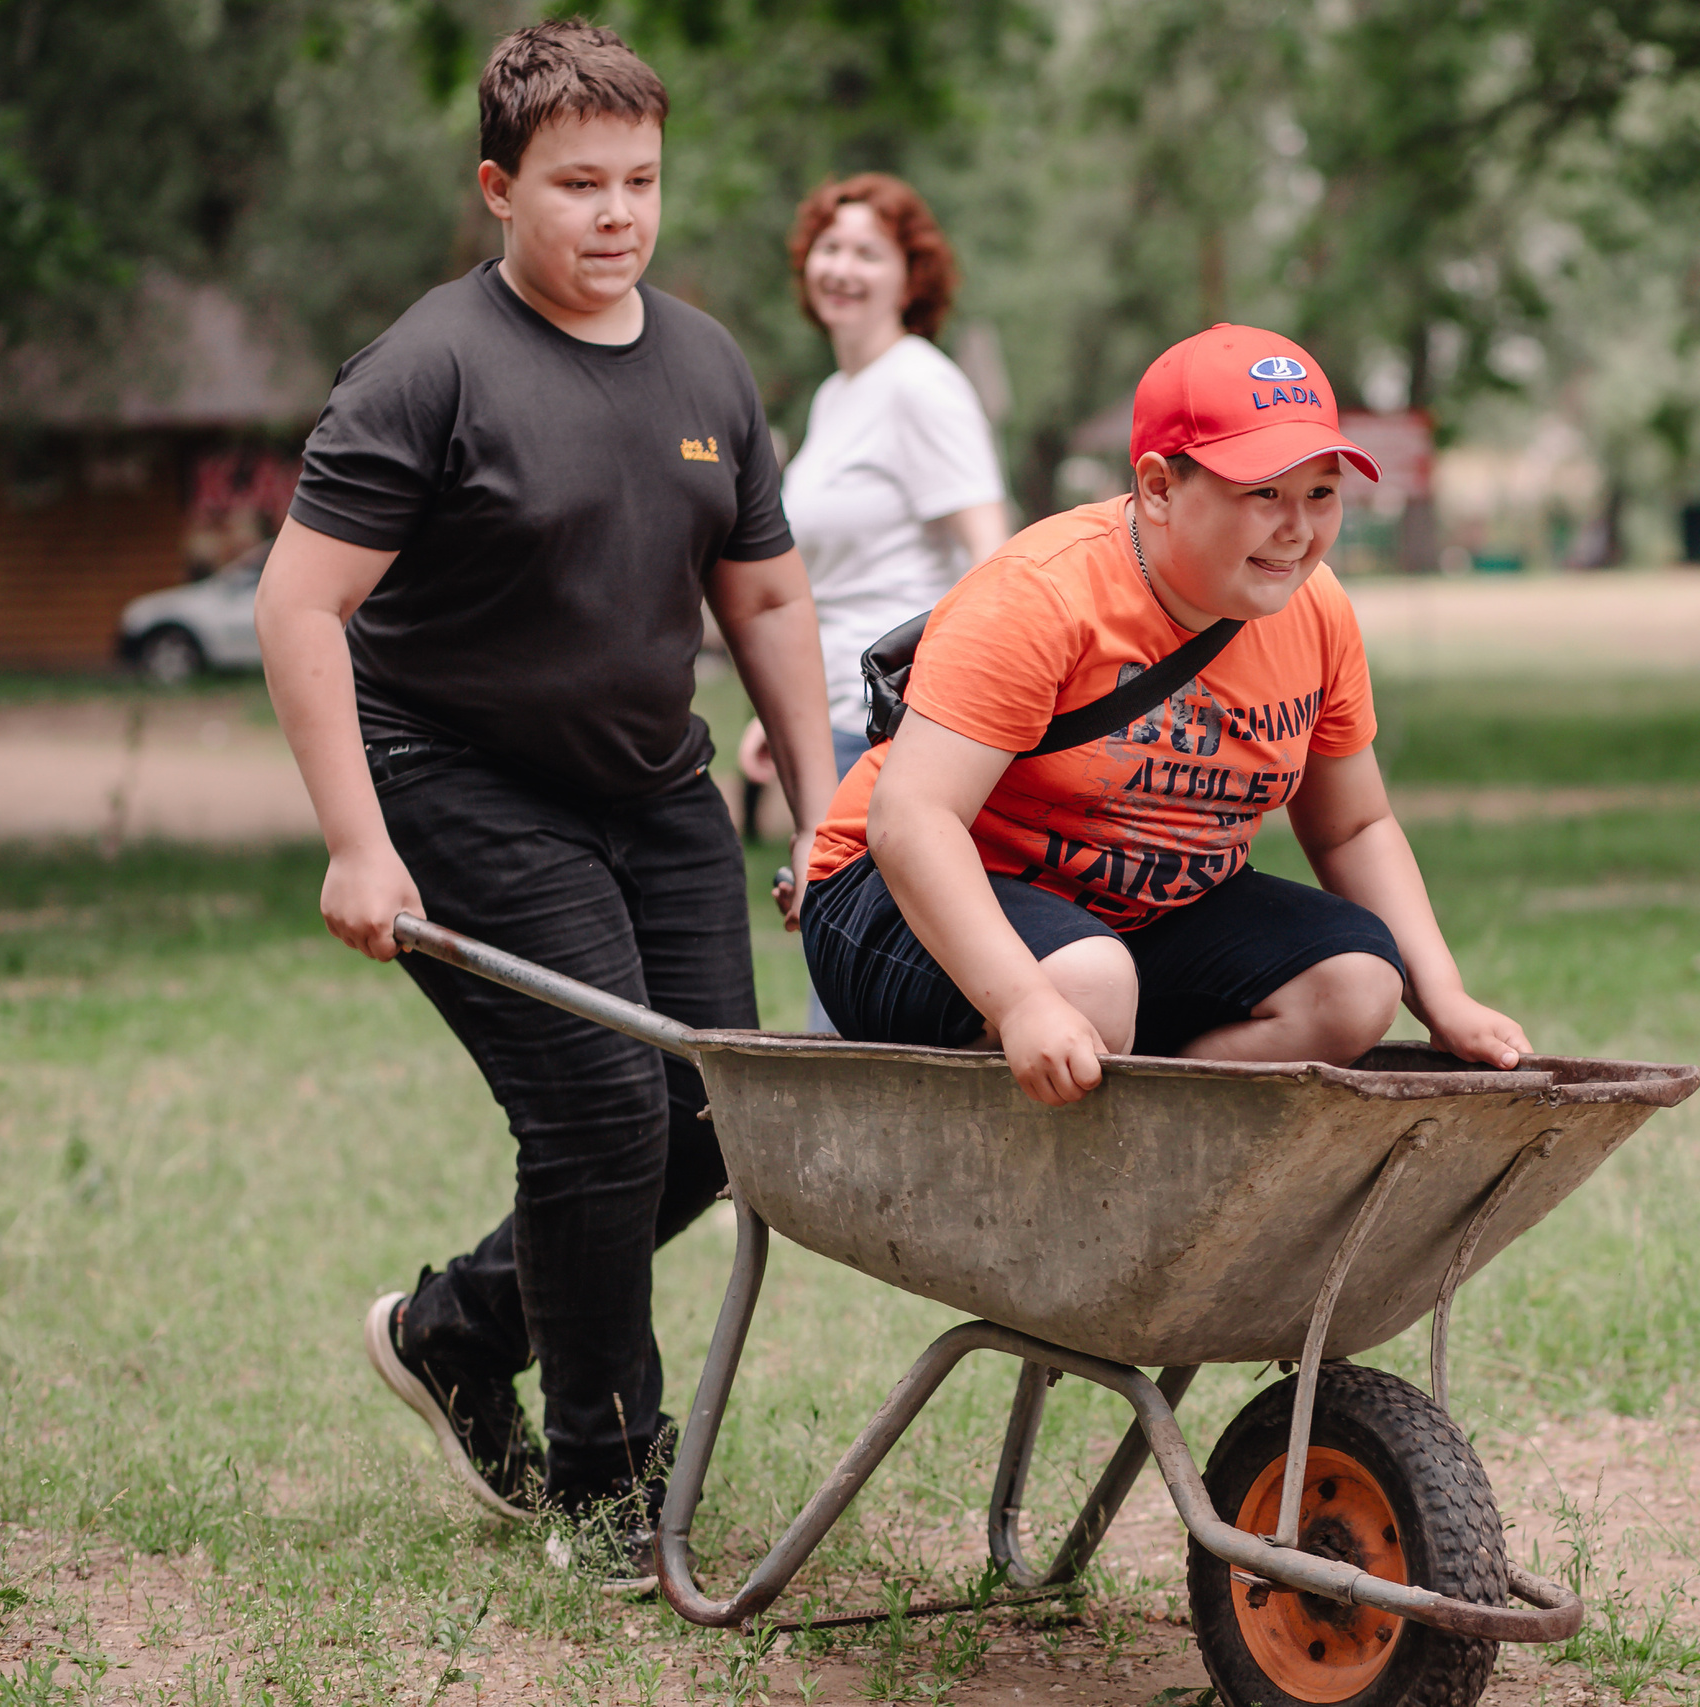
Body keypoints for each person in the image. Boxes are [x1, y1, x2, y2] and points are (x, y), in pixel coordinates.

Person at [252, 20, 837, 1584]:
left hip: (654, 790)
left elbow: (770, 603)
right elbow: (298, 609)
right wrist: (359, 842)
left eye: (641, 179)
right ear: (502, 189)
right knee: (594, 1112)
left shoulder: (709, 362)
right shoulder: (430, 367)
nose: (618, 212)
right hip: (456, 778)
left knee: (714, 1117)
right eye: (579, 182)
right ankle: (606, 1475)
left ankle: (458, 1328)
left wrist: (824, 804)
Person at [801, 325, 1528, 1106]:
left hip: (1140, 918)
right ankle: (1065, 1144)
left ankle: (1160, 1149)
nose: (1299, 528)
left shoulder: (1316, 611)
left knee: (1355, 984)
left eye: (1321, 493)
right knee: (1086, 978)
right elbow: (911, 820)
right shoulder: (1038, 595)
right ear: (1157, 486)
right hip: (905, 896)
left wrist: (1442, 997)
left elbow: (1354, 828)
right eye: (1264, 495)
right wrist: (1022, 1002)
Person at [736, 172, 1006, 1030]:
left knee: (861, 983)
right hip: (836, 719)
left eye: (868, 252)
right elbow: (830, 581)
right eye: (830, 247)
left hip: (899, 727)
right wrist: (786, 708)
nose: (841, 268)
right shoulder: (838, 394)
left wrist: (946, 705)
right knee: (838, 963)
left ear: (910, 277)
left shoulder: (918, 384)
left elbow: (993, 558)